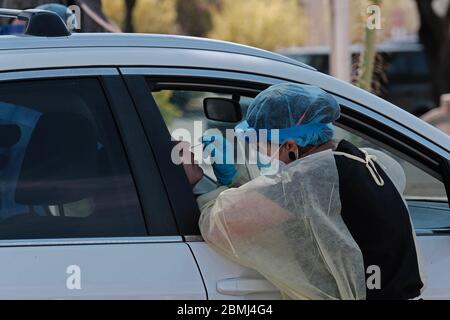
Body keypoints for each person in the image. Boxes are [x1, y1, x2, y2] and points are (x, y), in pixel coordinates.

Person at [180, 83, 424, 300]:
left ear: (291, 146)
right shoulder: (357, 160)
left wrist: (197, 181)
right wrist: (234, 180)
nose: (265, 155)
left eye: (265, 146)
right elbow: (284, 201)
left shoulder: (310, 177)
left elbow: (221, 225)